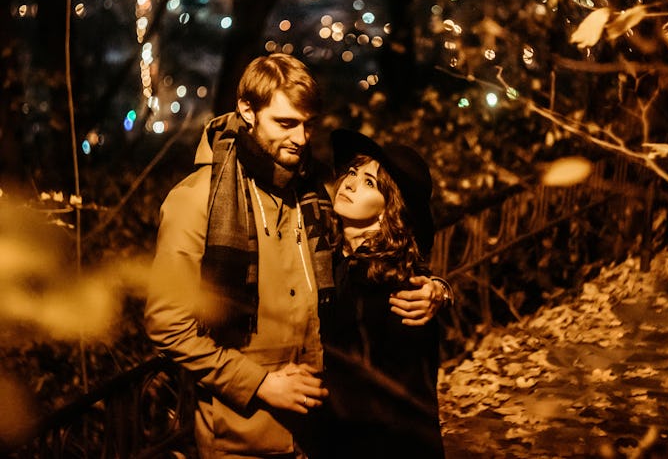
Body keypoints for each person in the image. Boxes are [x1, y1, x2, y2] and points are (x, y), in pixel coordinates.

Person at [144, 54, 448, 458]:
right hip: (245, 438)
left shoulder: (316, 187)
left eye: (308, 124)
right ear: (247, 110)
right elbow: (167, 325)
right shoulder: (196, 201)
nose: (301, 139)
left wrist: (437, 289)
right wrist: (260, 384)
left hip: (325, 432)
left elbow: (382, 247)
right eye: (286, 124)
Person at [311, 129, 446, 459]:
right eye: (353, 173)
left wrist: (439, 289)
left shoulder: (398, 284)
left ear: (389, 209)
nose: (351, 183)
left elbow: (403, 399)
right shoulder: (333, 259)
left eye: (370, 183)